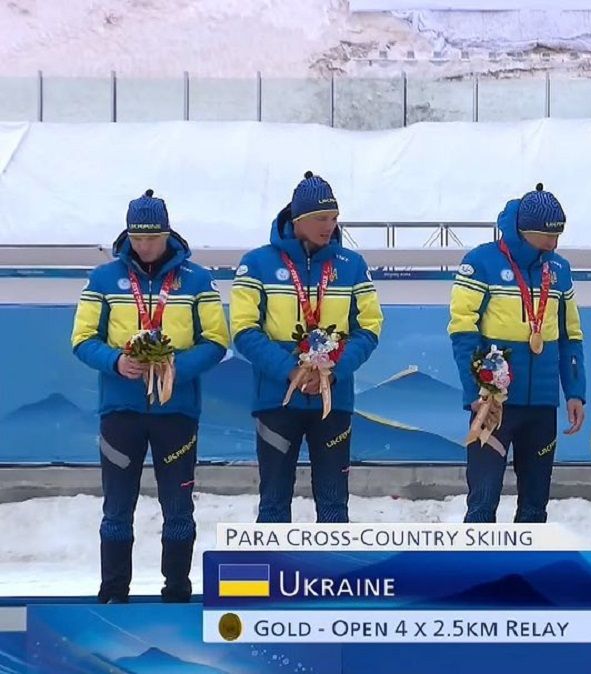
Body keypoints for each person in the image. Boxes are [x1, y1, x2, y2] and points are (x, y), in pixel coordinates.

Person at [70, 189, 230, 603]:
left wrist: (175, 368)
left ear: (167, 233)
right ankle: (113, 592)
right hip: (121, 411)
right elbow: (82, 338)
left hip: (176, 412)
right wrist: (116, 362)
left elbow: (216, 340)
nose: (144, 246)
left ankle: (177, 590)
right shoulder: (103, 279)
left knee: (178, 508)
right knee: (116, 509)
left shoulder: (197, 279)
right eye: (137, 238)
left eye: (152, 238)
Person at [230, 172, 383, 523]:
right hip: (277, 398)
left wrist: (334, 370)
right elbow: (244, 330)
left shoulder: (352, 265)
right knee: (273, 502)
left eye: (333, 218)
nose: (329, 226)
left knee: (334, 505)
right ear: (297, 219)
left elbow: (369, 328)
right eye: (320, 218)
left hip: (333, 401)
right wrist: (291, 371)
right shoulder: (257, 263)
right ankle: (273, 562)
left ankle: (331, 561)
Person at [449, 183, 587, 523]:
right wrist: (475, 391)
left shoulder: (559, 269)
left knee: (535, 507)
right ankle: (476, 556)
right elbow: (463, 332)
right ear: (526, 231)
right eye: (548, 236)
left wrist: (574, 392)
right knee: (482, 502)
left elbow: (571, 336)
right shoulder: (480, 262)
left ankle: (531, 558)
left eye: (558, 235)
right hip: (494, 404)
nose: (554, 244)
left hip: (542, 404)